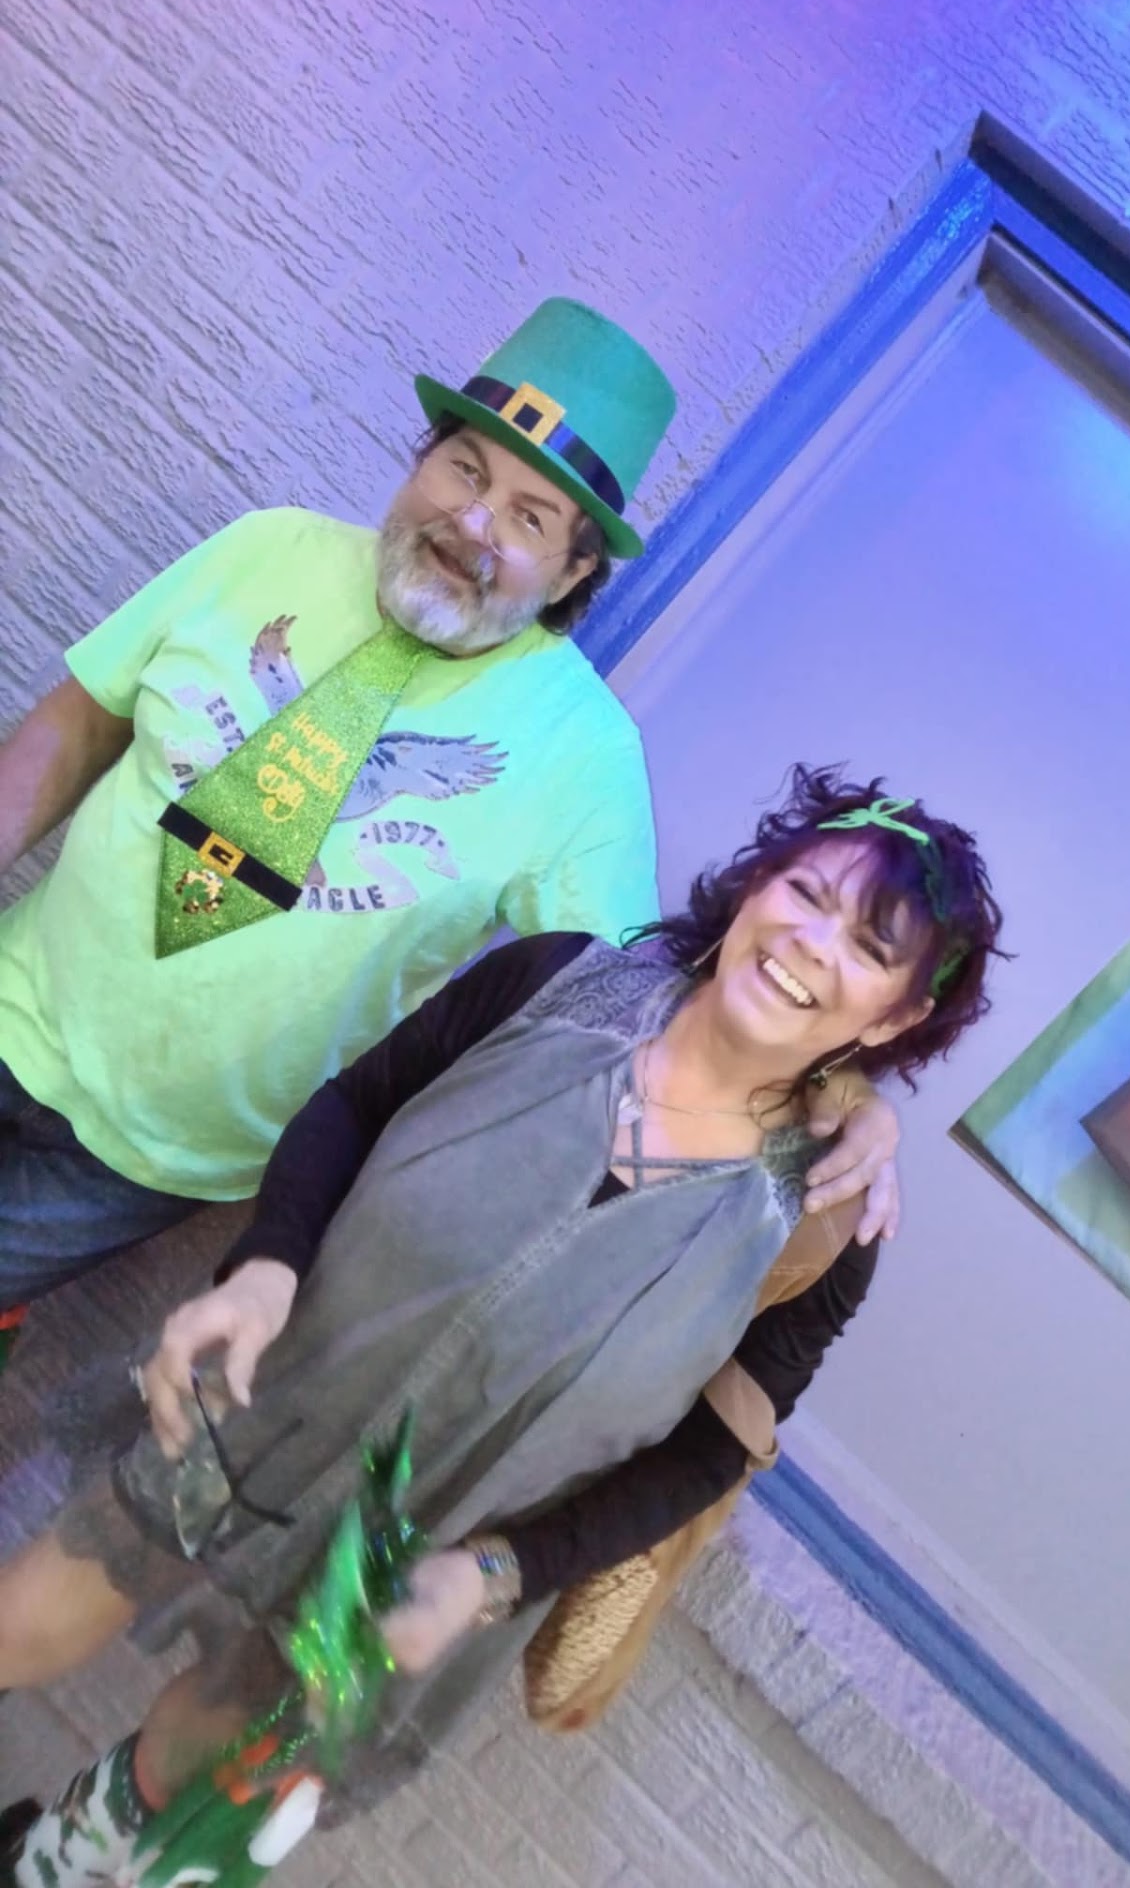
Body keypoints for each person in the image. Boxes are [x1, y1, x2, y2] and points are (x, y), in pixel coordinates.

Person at [0, 766, 1005, 1882]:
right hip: (256, 1399)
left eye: (868, 947)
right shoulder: (560, 981)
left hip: (411, 1566)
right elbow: (354, 1103)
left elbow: (707, 1456)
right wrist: (262, 1271)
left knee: (181, 1784)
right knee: (27, 1620)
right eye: (806, 892)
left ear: (898, 1015)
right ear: (758, 884)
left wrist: (501, 1571)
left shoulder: (821, 1225)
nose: (812, 943)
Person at [0, 300, 899, 1364]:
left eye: (529, 518)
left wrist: (839, 1086)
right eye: (465, 469)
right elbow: (78, 724)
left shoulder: (582, 756)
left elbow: (651, 1008)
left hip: (146, 1157)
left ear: (571, 575)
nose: (474, 523)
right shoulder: (269, 547)